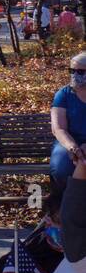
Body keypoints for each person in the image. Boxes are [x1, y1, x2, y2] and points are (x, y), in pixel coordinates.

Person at [50, 53, 86, 190]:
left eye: (80, 71)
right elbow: (58, 129)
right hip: (68, 142)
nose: (75, 75)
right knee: (61, 169)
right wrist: (73, 148)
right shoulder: (63, 94)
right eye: (72, 71)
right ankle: (71, 201)